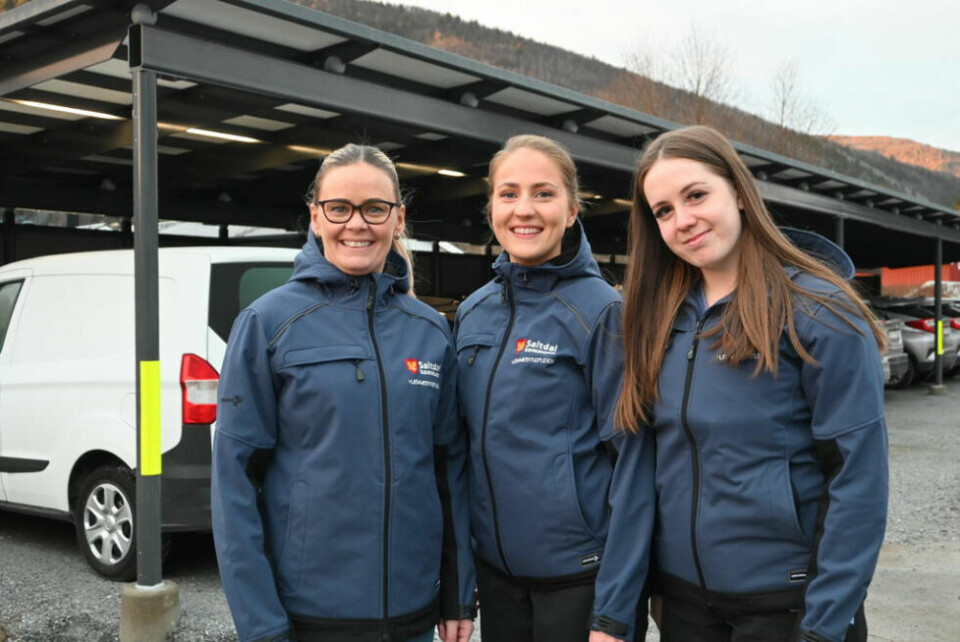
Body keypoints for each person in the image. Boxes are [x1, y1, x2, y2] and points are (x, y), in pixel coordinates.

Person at [604, 125, 888, 642]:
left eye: (695, 195)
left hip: (788, 609)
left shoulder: (819, 310)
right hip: (686, 608)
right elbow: (639, 474)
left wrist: (824, 626)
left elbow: (858, 480)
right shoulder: (657, 319)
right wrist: (615, 613)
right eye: (663, 211)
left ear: (737, 190)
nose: (682, 220)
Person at [211, 144, 476, 642]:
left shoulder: (430, 331)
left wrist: (457, 594)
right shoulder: (268, 324)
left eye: (375, 208)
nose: (357, 224)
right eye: (340, 208)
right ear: (315, 216)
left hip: (413, 618)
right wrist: (261, 625)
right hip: (310, 620)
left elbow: (449, 470)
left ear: (398, 219)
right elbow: (234, 485)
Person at [455, 134, 654, 642]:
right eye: (508, 193)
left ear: (571, 211)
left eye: (543, 194)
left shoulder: (600, 311)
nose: (524, 210)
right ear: (491, 208)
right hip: (497, 580)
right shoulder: (474, 310)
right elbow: (459, 451)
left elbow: (635, 464)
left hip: (578, 582)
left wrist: (613, 611)